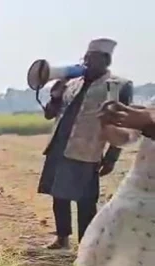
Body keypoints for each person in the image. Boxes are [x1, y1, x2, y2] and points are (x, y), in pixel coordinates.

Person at [46, 101, 155, 266]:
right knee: (101, 250)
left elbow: (147, 124)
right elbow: (125, 137)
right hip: (134, 191)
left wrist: (147, 122)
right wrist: (108, 123)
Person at [38, 38, 133, 250]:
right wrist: (54, 96)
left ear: (106, 61)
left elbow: (122, 123)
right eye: (86, 57)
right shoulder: (72, 84)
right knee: (58, 195)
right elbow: (50, 114)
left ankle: (86, 245)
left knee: (86, 201)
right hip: (59, 146)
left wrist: (111, 157)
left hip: (88, 150)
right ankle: (62, 238)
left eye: (93, 58)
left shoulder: (119, 86)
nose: (87, 62)